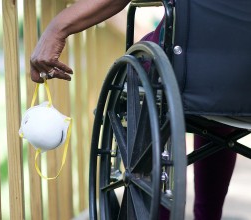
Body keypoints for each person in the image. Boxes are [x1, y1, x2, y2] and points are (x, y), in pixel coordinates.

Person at [30, 0, 237, 219]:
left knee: (154, 77)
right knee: (224, 92)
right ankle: (209, 215)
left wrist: (56, 29)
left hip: (191, 59)